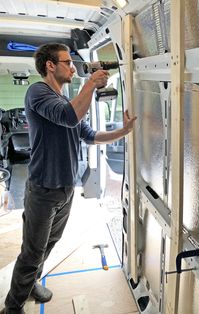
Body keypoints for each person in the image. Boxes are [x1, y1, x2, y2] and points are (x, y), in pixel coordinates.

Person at [4, 43, 136, 314]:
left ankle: (30, 285)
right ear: (50, 65)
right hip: (43, 188)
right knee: (32, 252)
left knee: (49, 244)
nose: (73, 67)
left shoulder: (65, 100)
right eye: (67, 62)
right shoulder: (38, 92)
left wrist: (125, 130)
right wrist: (90, 84)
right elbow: (68, 117)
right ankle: (12, 306)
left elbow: (90, 135)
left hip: (65, 188)